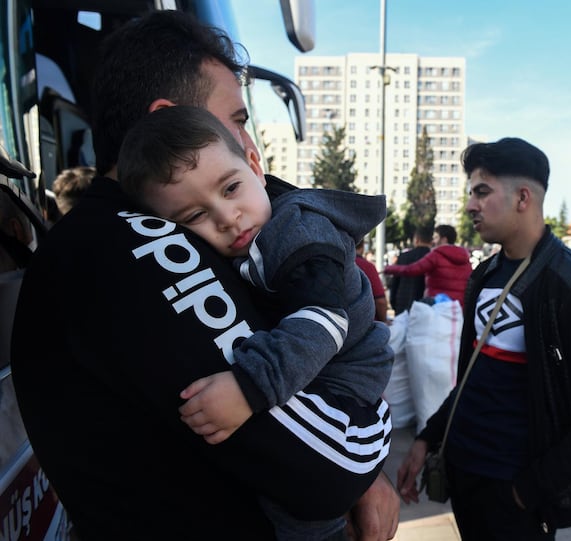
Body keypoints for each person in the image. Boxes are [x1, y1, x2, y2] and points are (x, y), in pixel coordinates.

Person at [10, 10, 398, 541]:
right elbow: (327, 471)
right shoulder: (136, 245)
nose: (249, 143)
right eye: (238, 120)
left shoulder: (142, 232)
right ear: (170, 120)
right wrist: (373, 435)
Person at [118, 105, 393, 540]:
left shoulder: (300, 235)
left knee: (302, 506)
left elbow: (323, 321)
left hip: (347, 374)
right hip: (323, 371)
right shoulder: (253, 240)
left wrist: (250, 387)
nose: (227, 217)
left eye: (230, 188)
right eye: (193, 217)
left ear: (254, 166)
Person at [395, 137, 571, 540]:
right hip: (465, 474)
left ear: (523, 197)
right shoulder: (483, 276)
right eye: (471, 193)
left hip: (518, 490)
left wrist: (530, 490)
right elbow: (472, 377)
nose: (471, 205)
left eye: (482, 192)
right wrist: (428, 438)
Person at [382, 224, 472, 306]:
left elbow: (412, 269)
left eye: (436, 237)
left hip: (438, 305)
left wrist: (389, 269)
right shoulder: (465, 258)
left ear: (444, 239)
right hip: (458, 306)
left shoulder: (436, 255)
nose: (433, 241)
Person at [388, 226, 432, 315]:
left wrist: (394, 303)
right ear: (431, 241)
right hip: (426, 308)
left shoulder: (403, 257)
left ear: (416, 239)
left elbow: (395, 284)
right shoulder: (433, 258)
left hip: (402, 306)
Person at [355, 238, 388, 322]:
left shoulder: (333, 263)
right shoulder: (367, 267)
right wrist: (384, 321)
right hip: (365, 325)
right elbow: (380, 301)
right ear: (362, 246)